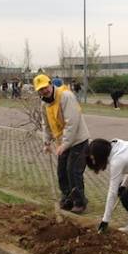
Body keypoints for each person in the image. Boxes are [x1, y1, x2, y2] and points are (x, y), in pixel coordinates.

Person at [35, 73, 89, 213]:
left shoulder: (66, 96)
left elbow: (72, 123)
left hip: (78, 140)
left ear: (51, 84)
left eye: (45, 87)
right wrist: (46, 142)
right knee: (61, 172)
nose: (44, 91)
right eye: (40, 90)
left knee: (73, 171)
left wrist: (64, 145)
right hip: (63, 142)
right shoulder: (44, 103)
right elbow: (45, 124)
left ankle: (80, 202)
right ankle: (67, 199)